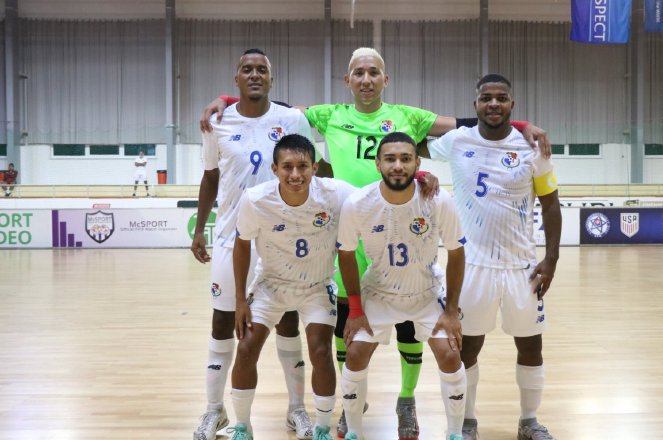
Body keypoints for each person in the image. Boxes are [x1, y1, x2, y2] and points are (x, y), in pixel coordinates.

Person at [201, 47, 551, 440]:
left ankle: (406, 400)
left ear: (386, 80)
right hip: (348, 228)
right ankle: (353, 407)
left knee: (408, 331)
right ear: (347, 81)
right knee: (347, 323)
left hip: (401, 226)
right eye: (358, 73)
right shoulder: (329, 114)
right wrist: (228, 101)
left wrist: (521, 126)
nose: (366, 79)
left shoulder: (409, 116)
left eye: (374, 73)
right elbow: (271, 105)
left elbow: (475, 121)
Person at [426, 74, 562, 440]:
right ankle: (466, 421)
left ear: (512, 105)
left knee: (531, 344)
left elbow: (551, 205)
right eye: (487, 98)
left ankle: (529, 421)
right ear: (475, 106)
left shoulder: (532, 148)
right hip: (472, 267)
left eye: (502, 98)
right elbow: (412, 144)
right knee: (468, 345)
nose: (494, 104)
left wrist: (551, 260)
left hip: (522, 267)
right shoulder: (457, 140)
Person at [192, 49, 317, 440]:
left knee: (288, 321)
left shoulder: (291, 119)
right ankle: (215, 411)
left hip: (281, 241)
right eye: (247, 69)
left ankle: (297, 409)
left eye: (262, 69)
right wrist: (200, 229)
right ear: (236, 79)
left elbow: (317, 170)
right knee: (222, 322)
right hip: (231, 239)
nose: (255, 75)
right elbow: (210, 177)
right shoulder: (217, 123)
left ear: (271, 78)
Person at [336, 132, 467, 440]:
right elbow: (345, 255)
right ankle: (354, 431)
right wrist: (355, 310)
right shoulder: (358, 203)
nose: (398, 165)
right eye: (390, 159)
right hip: (379, 293)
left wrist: (451, 311)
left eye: (406, 159)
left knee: (450, 354)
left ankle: (455, 433)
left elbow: (457, 252)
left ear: (417, 163)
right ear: (378, 163)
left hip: (425, 292)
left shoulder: (437, 200)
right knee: (354, 353)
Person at [228, 134, 356, 440]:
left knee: (321, 350)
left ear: (315, 168)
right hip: (270, 285)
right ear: (275, 169)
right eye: (288, 167)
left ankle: (323, 426)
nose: (295, 174)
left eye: (303, 166)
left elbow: (378, 194)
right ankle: (243, 426)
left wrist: (420, 176)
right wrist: (240, 301)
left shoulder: (335, 193)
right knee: (245, 349)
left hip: (316, 285)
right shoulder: (256, 199)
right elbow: (242, 245)